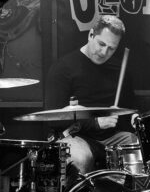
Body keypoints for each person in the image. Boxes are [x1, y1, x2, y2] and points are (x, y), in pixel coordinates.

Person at [44, 15, 138, 175]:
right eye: (101, 44)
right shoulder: (63, 68)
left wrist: (134, 118)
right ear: (91, 34)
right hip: (77, 137)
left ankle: (132, 191)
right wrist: (95, 123)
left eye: (112, 48)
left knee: (138, 146)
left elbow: (130, 107)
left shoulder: (119, 70)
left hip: (112, 138)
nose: (104, 52)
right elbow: (52, 118)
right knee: (80, 158)